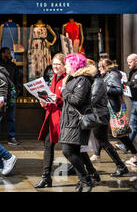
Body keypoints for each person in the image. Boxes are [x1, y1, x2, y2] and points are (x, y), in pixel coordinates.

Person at [81, 59, 128, 179]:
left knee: (103, 142)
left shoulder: (98, 81)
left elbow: (93, 98)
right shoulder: (95, 80)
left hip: (99, 116)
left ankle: (121, 166)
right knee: (98, 142)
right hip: (98, 115)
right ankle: (82, 165)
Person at [60, 53, 95, 192]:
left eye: (68, 64)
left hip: (77, 121)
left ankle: (86, 179)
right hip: (69, 120)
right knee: (75, 152)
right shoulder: (71, 79)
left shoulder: (83, 80)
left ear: (74, 65)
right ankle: (83, 181)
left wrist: (64, 92)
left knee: (67, 151)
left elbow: (77, 99)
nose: (65, 67)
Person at [34, 53, 66, 188]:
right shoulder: (54, 77)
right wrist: (44, 102)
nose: (55, 67)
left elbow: (72, 100)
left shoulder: (67, 79)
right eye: (54, 64)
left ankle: (88, 173)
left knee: (70, 150)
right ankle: (46, 177)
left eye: (59, 64)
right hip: (51, 116)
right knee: (48, 146)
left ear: (65, 66)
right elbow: (50, 99)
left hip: (63, 118)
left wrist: (57, 99)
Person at [99, 58, 137, 168]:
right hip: (108, 108)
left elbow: (118, 90)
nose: (99, 69)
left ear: (106, 67)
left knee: (120, 134)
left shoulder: (113, 74)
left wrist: (104, 88)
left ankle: (133, 154)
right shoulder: (107, 75)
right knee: (113, 134)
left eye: (101, 66)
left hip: (114, 108)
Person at [0, 47, 21, 146]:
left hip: (11, 94)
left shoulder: (13, 65)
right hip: (0, 94)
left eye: (9, 53)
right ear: (1, 54)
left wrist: (17, 91)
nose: (8, 55)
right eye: (6, 53)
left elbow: (17, 79)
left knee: (11, 117)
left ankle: (11, 137)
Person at [127, 53, 137, 144]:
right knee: (133, 125)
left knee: (132, 124)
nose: (128, 64)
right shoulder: (131, 72)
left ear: (136, 61)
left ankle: (126, 145)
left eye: (130, 62)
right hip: (134, 101)